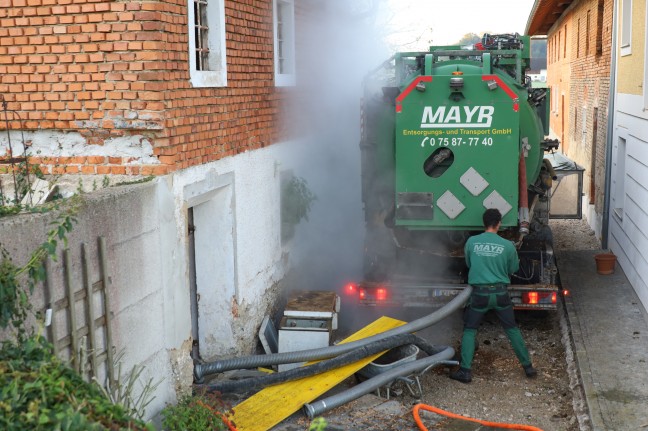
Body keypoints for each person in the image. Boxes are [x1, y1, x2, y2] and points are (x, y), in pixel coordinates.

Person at [450, 208, 537, 383]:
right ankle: (528, 367)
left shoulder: (472, 242)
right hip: (500, 294)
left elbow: (468, 263)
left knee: (470, 330)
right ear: (499, 224)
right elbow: (513, 269)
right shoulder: (508, 246)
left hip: (479, 295)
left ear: (484, 223)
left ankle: (465, 371)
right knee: (511, 329)